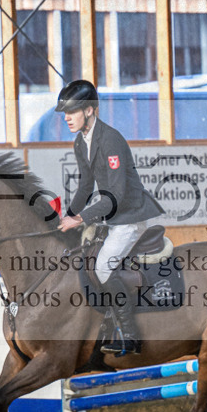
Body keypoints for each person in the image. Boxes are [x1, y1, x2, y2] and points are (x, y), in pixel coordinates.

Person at [55, 79, 164, 356]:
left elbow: (115, 193)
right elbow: (85, 186)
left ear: (90, 110)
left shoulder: (111, 139)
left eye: (72, 111)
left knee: (103, 267)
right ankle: (104, 323)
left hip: (130, 216)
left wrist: (80, 219)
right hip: (110, 217)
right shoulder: (81, 141)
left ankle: (130, 335)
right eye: (65, 112)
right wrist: (66, 219)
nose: (66, 117)